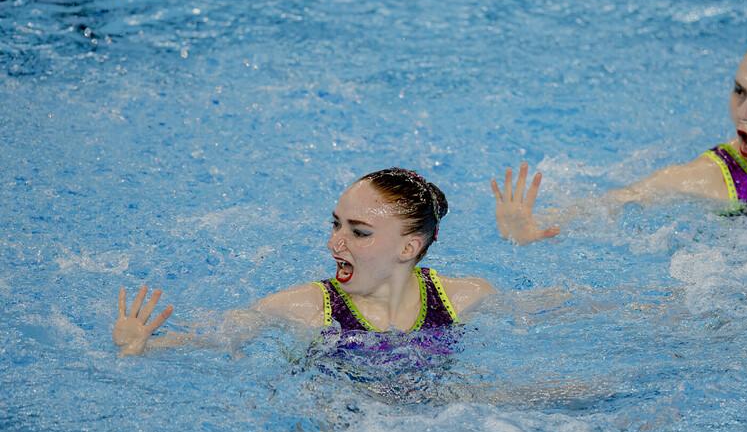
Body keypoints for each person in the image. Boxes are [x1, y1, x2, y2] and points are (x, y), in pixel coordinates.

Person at [492, 30, 747, 244]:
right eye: (740, 91)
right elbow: (623, 200)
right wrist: (533, 226)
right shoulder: (713, 179)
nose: (745, 111)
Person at [113, 168, 495, 357]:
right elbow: (221, 334)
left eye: (359, 232)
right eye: (336, 224)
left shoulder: (459, 299)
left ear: (408, 248)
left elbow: (550, 309)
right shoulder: (307, 308)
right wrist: (148, 344)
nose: (334, 243)